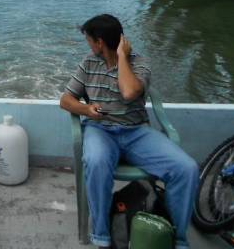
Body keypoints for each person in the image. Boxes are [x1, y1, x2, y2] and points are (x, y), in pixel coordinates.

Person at [59, 14, 198, 249]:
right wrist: (86, 109)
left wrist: (121, 57)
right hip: (100, 130)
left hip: (137, 133)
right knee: (96, 160)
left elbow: (129, 92)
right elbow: (65, 99)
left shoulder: (140, 63)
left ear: (100, 42)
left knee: (187, 169)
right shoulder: (88, 63)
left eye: (89, 40)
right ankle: (102, 237)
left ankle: (176, 238)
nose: (88, 44)